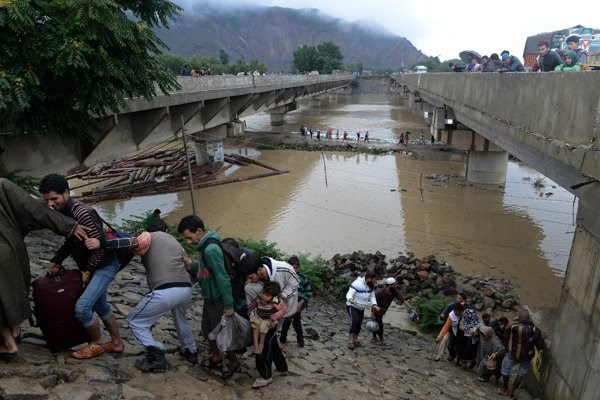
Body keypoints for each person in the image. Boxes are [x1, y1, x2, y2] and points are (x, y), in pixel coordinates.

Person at [84, 225, 198, 372]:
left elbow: (130, 243)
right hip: (185, 287)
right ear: (167, 231)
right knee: (181, 319)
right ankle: (191, 350)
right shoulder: (174, 241)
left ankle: (156, 355)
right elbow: (187, 263)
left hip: (166, 290)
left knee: (135, 321)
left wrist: (102, 243)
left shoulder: (149, 236)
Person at [0, 178, 88, 360]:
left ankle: (8, 344)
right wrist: (68, 226)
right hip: (11, 250)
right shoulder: (2, 185)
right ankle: (15, 332)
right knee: (11, 291)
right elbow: (33, 209)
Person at [39, 174, 124, 360]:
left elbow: (100, 246)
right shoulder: (63, 213)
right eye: (47, 200)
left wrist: (88, 271)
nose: (51, 204)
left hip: (104, 264)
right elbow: (70, 242)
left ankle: (96, 343)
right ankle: (117, 343)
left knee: (83, 308)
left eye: (55, 198)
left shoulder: (82, 213)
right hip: (92, 266)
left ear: (66, 193)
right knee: (101, 306)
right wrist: (56, 260)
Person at [177, 215, 240, 379]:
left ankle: (232, 362)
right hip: (209, 296)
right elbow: (206, 271)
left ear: (199, 231)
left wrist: (228, 305)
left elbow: (222, 277)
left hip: (217, 298)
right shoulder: (204, 247)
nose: (189, 242)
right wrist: (192, 265)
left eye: (190, 238)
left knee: (220, 332)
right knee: (207, 328)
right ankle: (216, 356)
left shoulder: (210, 249)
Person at [245, 257, 299, 389]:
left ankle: (266, 376)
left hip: (276, 315)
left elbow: (296, 282)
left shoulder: (283, 270)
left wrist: (283, 296)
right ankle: (282, 368)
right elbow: (254, 302)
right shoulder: (264, 282)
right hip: (265, 316)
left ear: (259, 270)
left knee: (265, 342)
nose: (250, 281)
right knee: (271, 339)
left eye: (252, 277)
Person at [498, 309, 545, 397]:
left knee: (505, 369)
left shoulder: (512, 327)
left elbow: (505, 338)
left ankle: (505, 389)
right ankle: (512, 391)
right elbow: (540, 346)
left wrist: (508, 350)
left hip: (513, 354)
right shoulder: (535, 330)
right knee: (521, 374)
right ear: (528, 318)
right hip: (527, 356)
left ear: (519, 319)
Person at [280, 256, 313, 347]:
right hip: (288, 303)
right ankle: (286, 337)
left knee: (295, 321)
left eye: (296, 268)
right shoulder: (286, 278)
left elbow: (308, 292)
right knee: (289, 320)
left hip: (299, 303)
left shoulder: (302, 278)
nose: (294, 270)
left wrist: (301, 303)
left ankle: (297, 338)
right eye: (292, 267)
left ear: (299, 267)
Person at [371, 277, 415, 345]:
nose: (395, 286)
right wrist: (373, 314)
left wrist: (411, 307)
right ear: (390, 285)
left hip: (382, 311)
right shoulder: (379, 293)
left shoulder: (394, 291)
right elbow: (373, 304)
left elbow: (402, 299)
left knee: (376, 324)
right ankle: (382, 340)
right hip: (376, 311)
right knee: (379, 325)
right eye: (394, 284)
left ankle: (374, 338)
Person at [345, 271, 380, 350]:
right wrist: (350, 299)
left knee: (359, 323)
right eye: (374, 279)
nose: (375, 281)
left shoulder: (371, 286)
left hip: (361, 307)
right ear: (369, 279)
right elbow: (349, 294)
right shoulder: (357, 283)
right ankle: (350, 340)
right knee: (355, 321)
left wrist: (374, 305)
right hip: (352, 306)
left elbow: (372, 297)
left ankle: (356, 339)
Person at [250, 281, 287, 354]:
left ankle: (261, 345)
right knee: (255, 328)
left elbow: (282, 309)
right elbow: (254, 303)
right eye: (264, 293)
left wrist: (275, 312)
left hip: (267, 319)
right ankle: (256, 346)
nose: (264, 296)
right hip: (258, 317)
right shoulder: (260, 297)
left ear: (273, 296)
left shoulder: (274, 302)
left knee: (262, 332)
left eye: (267, 295)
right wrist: (251, 307)